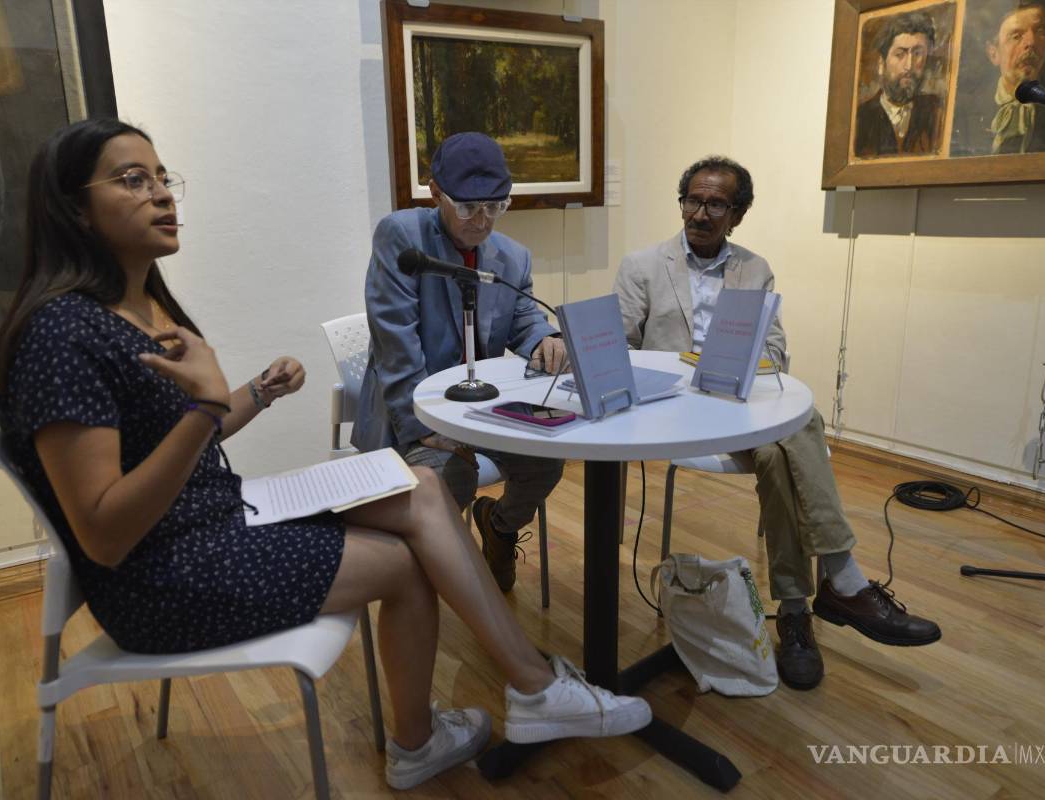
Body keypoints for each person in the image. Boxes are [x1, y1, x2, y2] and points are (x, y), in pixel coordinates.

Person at [0, 119, 650, 791]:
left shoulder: (142, 307)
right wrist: (207, 409)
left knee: (419, 486)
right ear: (74, 208)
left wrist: (252, 395)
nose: (161, 194)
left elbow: (176, 441)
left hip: (217, 517)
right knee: (410, 553)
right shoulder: (60, 335)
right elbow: (104, 534)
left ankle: (523, 692)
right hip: (164, 574)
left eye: (163, 177)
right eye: (133, 180)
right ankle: (459, 722)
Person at [613, 155, 941, 691]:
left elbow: (775, 350)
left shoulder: (754, 268)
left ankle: (794, 612)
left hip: (737, 399)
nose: (700, 212)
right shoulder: (642, 265)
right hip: (674, 410)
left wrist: (739, 365)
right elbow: (624, 349)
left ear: (737, 214)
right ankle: (841, 582)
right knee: (802, 422)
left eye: (716, 203)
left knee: (777, 447)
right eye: (692, 200)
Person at [354, 132, 566, 593]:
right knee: (450, 473)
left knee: (547, 460)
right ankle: (429, 587)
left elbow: (523, 316)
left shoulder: (512, 256)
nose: (482, 220)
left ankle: (500, 528)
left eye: (496, 206)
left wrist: (543, 338)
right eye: (468, 207)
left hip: (483, 406)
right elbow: (395, 341)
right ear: (436, 193)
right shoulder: (402, 236)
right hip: (416, 410)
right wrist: (423, 425)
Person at [951, 1, 1045, 154]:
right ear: (994, 53)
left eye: (1040, 32)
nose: (1031, 43)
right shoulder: (965, 111)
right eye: (1016, 36)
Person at [853, 12, 944, 158]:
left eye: (917, 54)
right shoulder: (860, 119)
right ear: (881, 64)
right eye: (900, 54)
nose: (909, 66)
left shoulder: (937, 111)